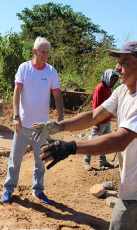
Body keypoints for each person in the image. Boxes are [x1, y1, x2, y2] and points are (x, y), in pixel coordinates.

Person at [31, 41, 137, 230]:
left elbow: (121, 140)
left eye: (125, 61)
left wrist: (71, 147)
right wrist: (58, 126)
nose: (117, 67)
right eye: (118, 61)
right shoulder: (122, 91)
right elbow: (95, 115)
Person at [1, 36, 64, 204]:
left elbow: (57, 94)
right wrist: (16, 116)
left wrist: (60, 117)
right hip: (22, 125)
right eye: (43, 52)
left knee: (41, 161)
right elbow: (17, 92)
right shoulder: (24, 68)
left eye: (48, 52)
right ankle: (9, 189)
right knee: (15, 159)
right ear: (35, 52)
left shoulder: (51, 71)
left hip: (41, 127)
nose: (46, 55)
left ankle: (38, 190)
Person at [84, 69, 119, 171]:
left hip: (107, 121)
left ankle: (102, 161)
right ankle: (86, 160)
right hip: (99, 122)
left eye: (114, 80)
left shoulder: (109, 88)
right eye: (111, 79)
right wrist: (95, 122)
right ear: (107, 78)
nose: (112, 82)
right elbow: (95, 105)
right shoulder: (100, 88)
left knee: (105, 142)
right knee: (93, 142)